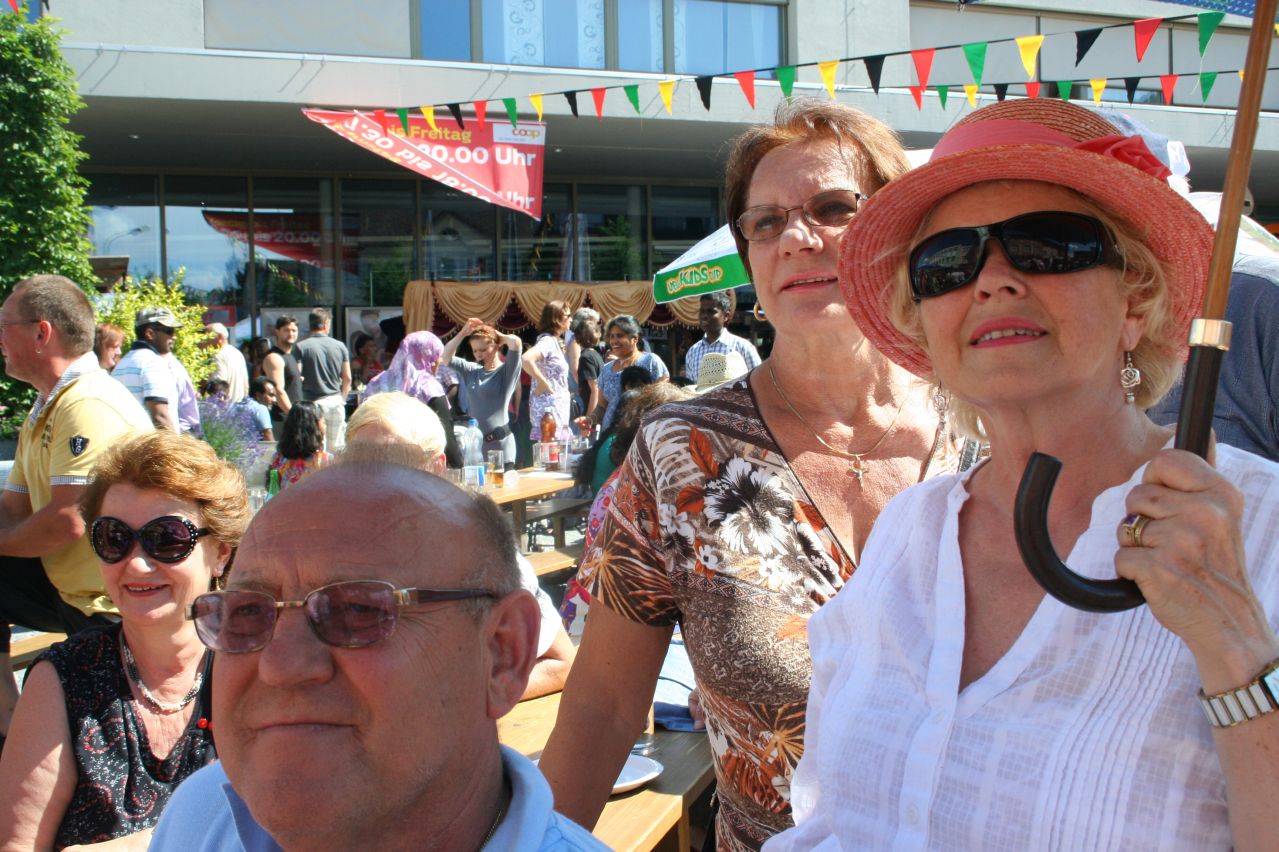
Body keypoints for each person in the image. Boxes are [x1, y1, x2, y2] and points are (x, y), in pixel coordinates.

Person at [767, 98, 1279, 851]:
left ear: (1135, 300)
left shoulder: (1262, 531)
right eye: (946, 264)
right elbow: (828, 823)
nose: (992, 281)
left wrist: (1236, 653)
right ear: (923, 322)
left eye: (1048, 246)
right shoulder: (909, 531)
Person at [542, 99, 956, 850]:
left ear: (900, 231)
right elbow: (603, 704)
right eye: (765, 223)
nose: (795, 238)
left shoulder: (993, 429)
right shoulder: (680, 451)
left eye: (833, 208)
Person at [147, 462, 606, 851]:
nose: (280, 666)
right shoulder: (200, 817)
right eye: (247, 613)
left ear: (502, 653)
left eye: (358, 610)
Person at [0, 430, 246, 849]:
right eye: (113, 537)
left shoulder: (260, 668)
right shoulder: (64, 679)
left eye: (167, 539)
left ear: (221, 552)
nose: (136, 564)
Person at [342, 391, 576, 700]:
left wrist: (454, 702)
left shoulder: (480, 554)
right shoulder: (327, 550)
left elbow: (561, 663)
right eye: (358, 463)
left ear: (436, 466)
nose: (374, 481)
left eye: (394, 461)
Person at [0, 276, 152, 750]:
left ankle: (15, 732)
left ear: (41, 332)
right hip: (77, 593)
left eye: (3, 325)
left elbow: (68, 521)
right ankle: (7, 722)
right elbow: (12, 509)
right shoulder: (49, 404)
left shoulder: (86, 402)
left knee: (111, 757)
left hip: (118, 606)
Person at [362, 330, 462, 469]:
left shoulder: (376, 382)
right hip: (416, 466)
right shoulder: (428, 387)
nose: (437, 364)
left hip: (375, 463)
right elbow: (447, 437)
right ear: (428, 359)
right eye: (435, 359)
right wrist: (459, 467)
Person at [440, 318, 524, 464]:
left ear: (496, 347)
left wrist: (496, 335)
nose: (479, 354)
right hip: (476, 447)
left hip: (501, 446)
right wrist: (462, 333)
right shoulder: (472, 370)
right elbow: (445, 357)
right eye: (475, 350)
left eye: (483, 349)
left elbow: (516, 343)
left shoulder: (506, 372)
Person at [575, 314, 670, 432]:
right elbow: (602, 406)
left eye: (620, 336)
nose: (614, 341)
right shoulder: (606, 370)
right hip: (610, 436)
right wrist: (589, 419)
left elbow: (663, 399)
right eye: (611, 336)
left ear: (635, 338)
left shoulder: (651, 361)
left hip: (641, 434)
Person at [111, 307, 182, 432]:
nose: (174, 337)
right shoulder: (152, 363)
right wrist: (176, 445)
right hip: (150, 443)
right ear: (150, 333)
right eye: (169, 331)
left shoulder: (121, 364)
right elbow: (160, 417)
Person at [293, 308, 351, 453]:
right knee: (337, 450)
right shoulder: (340, 346)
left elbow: (297, 376)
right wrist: (342, 399)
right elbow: (347, 378)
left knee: (317, 449)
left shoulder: (301, 347)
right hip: (336, 401)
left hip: (313, 403)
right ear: (326, 324)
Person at [523, 300, 573, 441]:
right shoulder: (548, 341)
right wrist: (543, 383)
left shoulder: (552, 341)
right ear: (557, 319)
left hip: (554, 410)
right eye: (568, 316)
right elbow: (526, 359)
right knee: (552, 451)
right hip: (550, 413)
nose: (571, 319)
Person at [683, 292, 761, 381]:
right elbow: (691, 387)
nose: (704, 316)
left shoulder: (743, 347)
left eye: (711, 312)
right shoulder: (693, 352)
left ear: (726, 316)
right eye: (702, 311)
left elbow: (759, 381)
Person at [266, 400, 330, 489]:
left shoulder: (278, 458)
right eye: (324, 422)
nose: (325, 426)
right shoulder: (325, 460)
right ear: (314, 427)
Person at [261, 315, 302, 436]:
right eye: (286, 330)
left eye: (294, 330)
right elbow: (278, 390)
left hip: (292, 418)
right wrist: (294, 416)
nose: (291, 334)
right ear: (277, 332)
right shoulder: (274, 357)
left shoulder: (290, 356)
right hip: (281, 419)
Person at [203, 322, 248, 402]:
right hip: (239, 405)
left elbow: (218, 387)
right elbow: (246, 386)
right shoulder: (238, 353)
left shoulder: (218, 356)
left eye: (209, 337)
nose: (206, 341)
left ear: (219, 337)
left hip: (225, 406)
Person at [571, 309, 604, 421]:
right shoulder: (596, 355)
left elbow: (595, 389)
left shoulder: (586, 357)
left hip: (592, 411)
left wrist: (589, 419)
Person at [235, 376, 276, 441]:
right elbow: (268, 437)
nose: (274, 400)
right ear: (258, 395)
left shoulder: (235, 407)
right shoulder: (260, 409)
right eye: (271, 395)